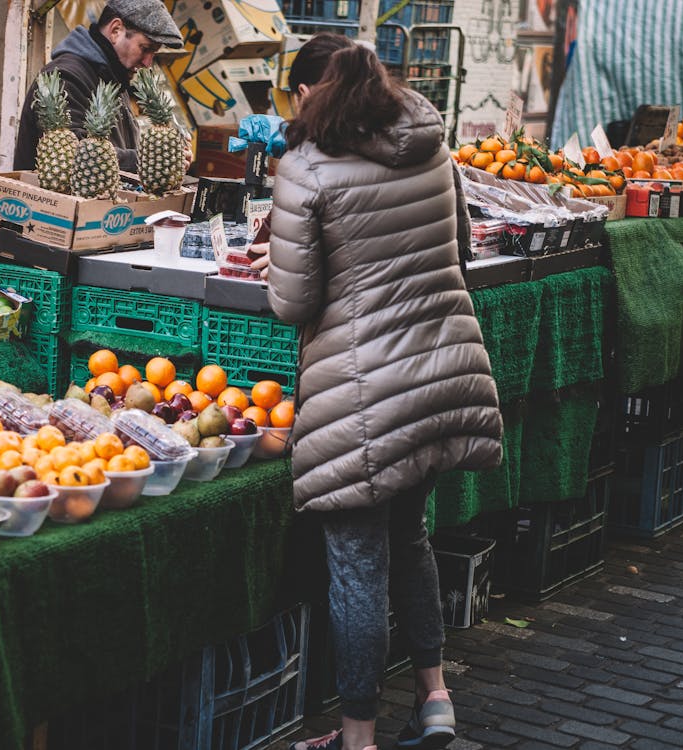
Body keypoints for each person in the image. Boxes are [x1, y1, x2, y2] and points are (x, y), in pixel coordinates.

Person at [252, 35, 504, 750]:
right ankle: (434, 698)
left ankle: (357, 738)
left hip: (363, 395)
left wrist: (280, 258)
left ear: (308, 94)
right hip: (438, 376)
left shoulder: (304, 169)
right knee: (410, 538)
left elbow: (293, 303)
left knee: (357, 567)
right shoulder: (430, 142)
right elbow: (458, 245)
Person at [12, 0, 185, 174]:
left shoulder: (114, 78)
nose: (148, 63)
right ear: (116, 30)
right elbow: (74, 155)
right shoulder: (66, 76)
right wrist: (151, 160)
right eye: (145, 48)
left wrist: (166, 156)